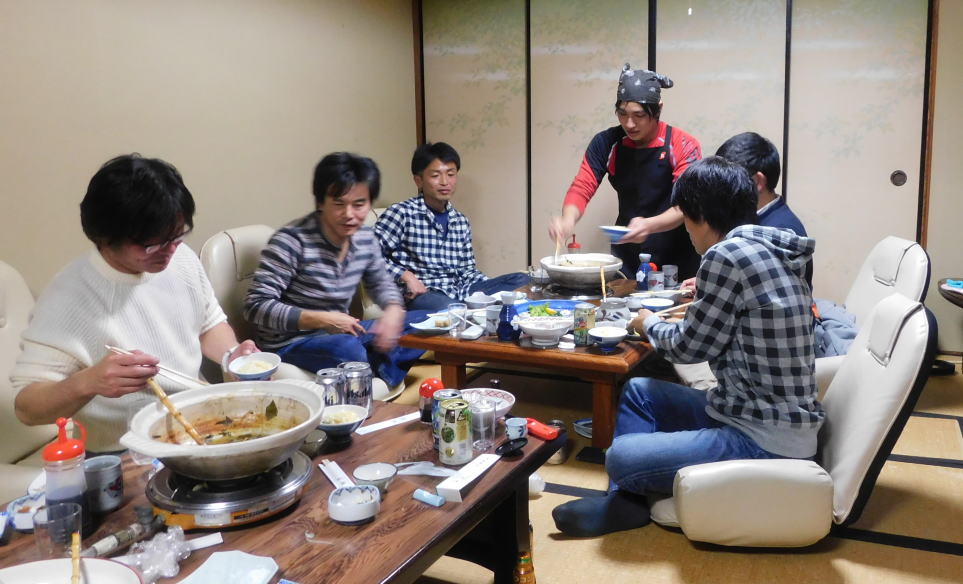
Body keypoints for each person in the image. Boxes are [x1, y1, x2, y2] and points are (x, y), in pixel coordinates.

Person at [552, 157, 823, 537]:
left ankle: (625, 497)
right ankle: (626, 502)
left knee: (619, 457)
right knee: (640, 390)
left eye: (686, 220)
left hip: (764, 437)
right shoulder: (770, 247)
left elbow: (687, 349)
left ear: (703, 218)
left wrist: (648, 323)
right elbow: (717, 331)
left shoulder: (726, 255)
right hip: (752, 410)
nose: (687, 231)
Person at [11, 154, 257, 454]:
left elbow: (209, 324)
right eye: (152, 244)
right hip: (123, 450)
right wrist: (88, 382)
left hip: (198, 427)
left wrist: (233, 356)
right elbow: (27, 409)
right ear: (105, 236)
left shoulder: (180, 258)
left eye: (177, 236)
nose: (169, 251)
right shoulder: (67, 297)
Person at [244, 152, 425, 390]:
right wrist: (324, 319)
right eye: (339, 204)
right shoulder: (291, 241)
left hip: (344, 331)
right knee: (348, 349)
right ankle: (377, 366)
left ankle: (373, 367)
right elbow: (256, 306)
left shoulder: (364, 237)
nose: (349, 214)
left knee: (430, 320)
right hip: (293, 342)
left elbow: (380, 283)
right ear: (321, 202)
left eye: (359, 204)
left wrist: (393, 309)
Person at [548, 63, 702, 278]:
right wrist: (567, 220)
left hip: (676, 257)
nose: (629, 124)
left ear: (658, 108)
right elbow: (582, 186)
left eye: (639, 115)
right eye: (622, 114)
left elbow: (685, 205)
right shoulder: (606, 143)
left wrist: (649, 225)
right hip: (628, 254)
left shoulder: (682, 144)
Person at [374, 142, 529, 313]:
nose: (445, 182)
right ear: (419, 181)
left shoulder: (461, 221)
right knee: (450, 308)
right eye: (435, 175)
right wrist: (405, 276)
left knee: (523, 280)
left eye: (450, 174)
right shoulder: (402, 213)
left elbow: (467, 271)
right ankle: (468, 312)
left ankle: (474, 310)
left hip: (460, 291)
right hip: (424, 294)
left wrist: (489, 288)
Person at [715, 131, 807, 236]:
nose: (722, 192)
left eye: (728, 182)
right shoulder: (754, 219)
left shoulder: (780, 233)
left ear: (758, 182)